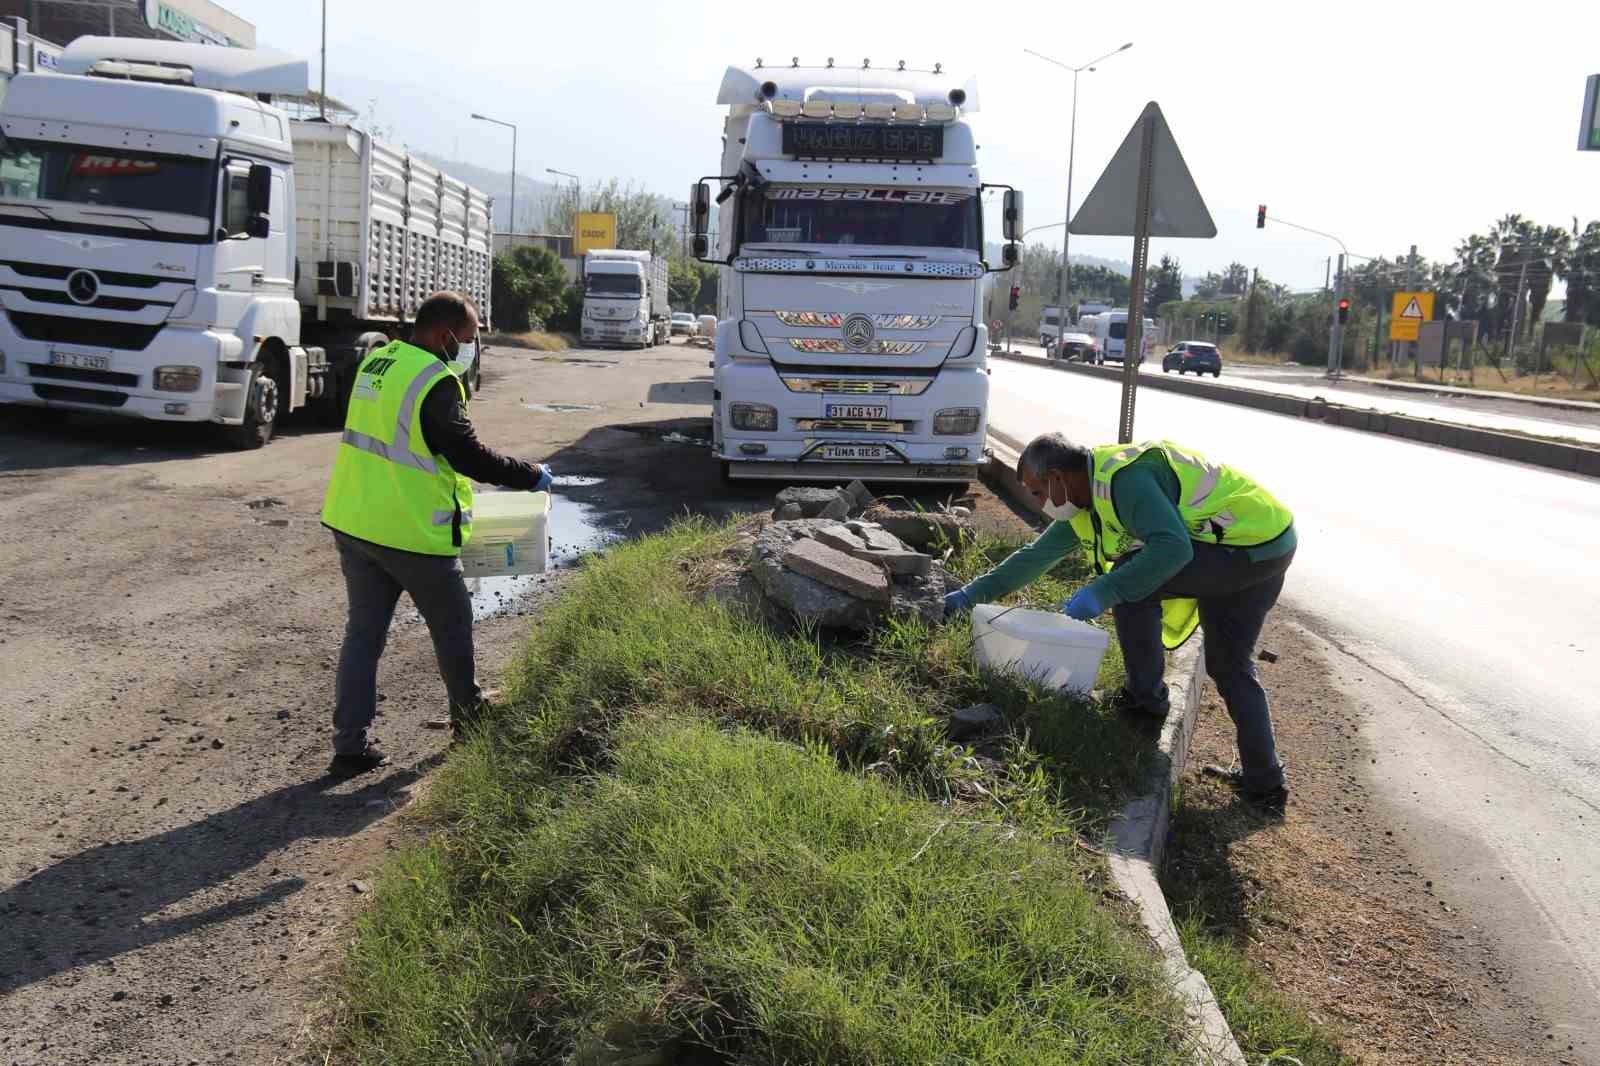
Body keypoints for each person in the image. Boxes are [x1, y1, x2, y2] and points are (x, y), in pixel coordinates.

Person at [945, 433, 1297, 809]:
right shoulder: (1086, 504)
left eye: (1037, 491)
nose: (1038, 501)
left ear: (1059, 478)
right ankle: (1266, 783)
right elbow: (1034, 557)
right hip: (1267, 539)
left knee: (1132, 581)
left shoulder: (1126, 482)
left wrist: (1102, 591)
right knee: (1228, 665)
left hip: (1248, 544)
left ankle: (1144, 705)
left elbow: (1172, 547)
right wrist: (970, 596)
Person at [320, 291, 553, 776]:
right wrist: (529, 475)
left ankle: (349, 746)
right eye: (466, 340)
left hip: (355, 522)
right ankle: (468, 719)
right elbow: (466, 454)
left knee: (363, 636)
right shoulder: (435, 382)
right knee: (452, 627)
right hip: (411, 533)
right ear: (443, 335)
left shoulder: (379, 362)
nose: (467, 349)